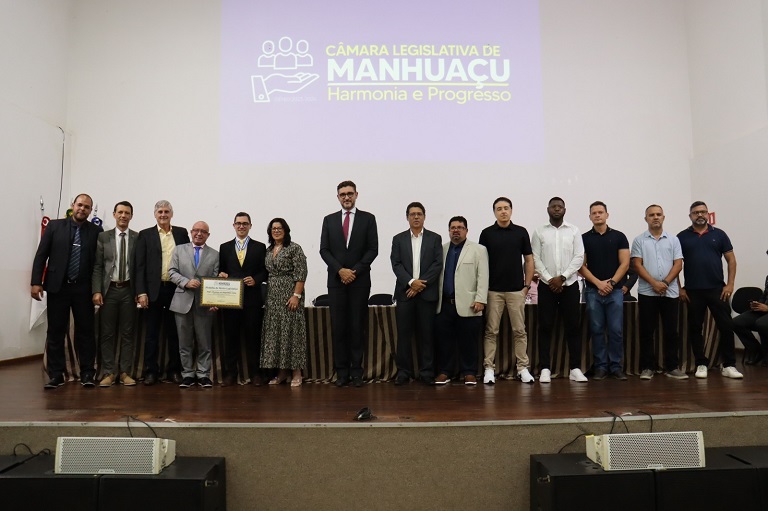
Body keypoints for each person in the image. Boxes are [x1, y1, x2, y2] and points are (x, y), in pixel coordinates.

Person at [31, 193, 103, 389]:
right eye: (80, 205)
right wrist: (36, 282)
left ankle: (87, 373)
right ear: (73, 205)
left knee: (86, 332)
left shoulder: (96, 231)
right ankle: (56, 375)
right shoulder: (54, 227)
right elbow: (41, 255)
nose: (82, 209)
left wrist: (97, 289)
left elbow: (98, 263)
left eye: (86, 207)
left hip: (83, 288)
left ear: (90, 210)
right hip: (58, 287)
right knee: (55, 331)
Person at [319, 180, 379, 387]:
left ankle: (356, 373)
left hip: (359, 281)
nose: (346, 197)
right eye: (343, 194)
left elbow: (373, 249)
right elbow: (324, 250)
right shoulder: (329, 220)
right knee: (339, 328)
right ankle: (342, 372)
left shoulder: (368, 219)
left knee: (356, 327)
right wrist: (340, 270)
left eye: (350, 193)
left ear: (356, 195)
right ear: (338, 197)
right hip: (336, 282)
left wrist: (354, 271)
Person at [678, 201, 743, 379]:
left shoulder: (720, 234)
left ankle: (729, 365)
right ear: (690, 216)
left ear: (708, 214)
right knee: (695, 328)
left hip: (717, 289)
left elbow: (731, 260)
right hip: (692, 291)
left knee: (726, 327)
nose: (700, 215)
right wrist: (679, 288)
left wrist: (730, 284)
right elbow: (675, 264)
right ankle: (701, 363)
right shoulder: (681, 237)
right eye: (696, 212)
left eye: (703, 212)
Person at [478, 197, 535, 384]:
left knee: (520, 331)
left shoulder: (521, 232)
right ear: (494, 212)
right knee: (491, 331)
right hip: (493, 291)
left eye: (506, 208)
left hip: (516, 291)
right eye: (499, 209)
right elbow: (481, 263)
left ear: (511, 210)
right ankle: (489, 368)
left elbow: (529, 260)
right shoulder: (486, 234)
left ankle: (522, 368)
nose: (503, 211)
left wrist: (526, 286)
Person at [531, 197, 586, 383]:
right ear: (548, 209)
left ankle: (575, 368)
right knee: (545, 327)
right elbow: (535, 258)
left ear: (565, 209)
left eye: (560, 207)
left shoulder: (574, 231)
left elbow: (579, 257)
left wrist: (562, 278)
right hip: (546, 287)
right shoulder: (539, 231)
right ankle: (545, 368)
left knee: (573, 327)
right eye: (553, 206)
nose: (556, 209)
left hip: (569, 286)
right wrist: (550, 279)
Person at [134, 200, 189, 385]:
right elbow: (140, 266)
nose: (163, 215)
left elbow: (188, 260)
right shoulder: (145, 235)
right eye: (160, 212)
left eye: (166, 211)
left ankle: (174, 370)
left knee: (175, 333)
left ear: (171, 214)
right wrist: (141, 292)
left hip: (176, 290)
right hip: (153, 291)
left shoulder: (181, 233)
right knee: (152, 334)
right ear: (155, 214)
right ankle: (151, 371)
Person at [630, 204, 687, 380]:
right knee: (647, 332)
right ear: (646, 219)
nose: (655, 217)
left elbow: (678, 264)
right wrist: (654, 283)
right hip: (647, 292)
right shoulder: (639, 240)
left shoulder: (673, 240)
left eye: (658, 214)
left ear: (663, 217)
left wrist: (665, 283)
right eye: (651, 215)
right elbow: (637, 265)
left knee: (671, 332)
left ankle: (672, 367)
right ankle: (648, 367)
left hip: (670, 292)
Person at [390, 202, 443, 385]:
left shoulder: (434, 238)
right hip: (405, 294)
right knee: (404, 335)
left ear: (424, 216)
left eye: (419, 214)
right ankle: (403, 372)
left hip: (427, 295)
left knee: (426, 335)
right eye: (412, 214)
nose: (416, 217)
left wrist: (420, 285)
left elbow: (437, 264)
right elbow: (396, 264)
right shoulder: (398, 239)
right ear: (407, 217)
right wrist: (412, 282)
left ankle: (426, 372)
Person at [579, 201, 630, 380]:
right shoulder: (583, 238)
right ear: (590, 217)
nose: (597, 215)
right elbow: (581, 265)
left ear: (607, 215)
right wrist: (599, 284)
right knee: (597, 330)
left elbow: (625, 263)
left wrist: (611, 283)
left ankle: (616, 367)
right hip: (593, 291)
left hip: (615, 291)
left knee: (616, 330)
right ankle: (600, 367)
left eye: (601, 212)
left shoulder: (619, 236)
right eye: (594, 213)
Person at [435, 216, 488, 385]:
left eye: (460, 227)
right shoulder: (441, 249)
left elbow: (483, 276)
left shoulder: (478, 250)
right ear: (449, 231)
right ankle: (445, 372)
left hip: (470, 304)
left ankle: (469, 372)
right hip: (445, 304)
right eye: (453, 228)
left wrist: (481, 299)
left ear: (466, 230)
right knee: (445, 341)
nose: (456, 230)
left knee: (469, 341)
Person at [91, 201, 138, 387]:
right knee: (107, 333)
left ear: (131, 216)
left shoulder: (137, 237)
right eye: (120, 212)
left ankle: (125, 373)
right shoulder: (103, 237)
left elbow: (140, 267)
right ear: (114, 214)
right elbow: (97, 266)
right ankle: (109, 372)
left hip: (129, 290)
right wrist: (96, 290)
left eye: (127, 213)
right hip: (109, 290)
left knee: (128, 333)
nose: (123, 216)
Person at [168, 221, 219, 388]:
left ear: (208, 235)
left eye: (203, 231)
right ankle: (188, 374)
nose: (199, 233)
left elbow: (215, 279)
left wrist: (214, 301)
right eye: (196, 230)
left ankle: (204, 375)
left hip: (204, 304)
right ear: (191, 232)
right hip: (182, 302)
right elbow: (172, 272)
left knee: (204, 343)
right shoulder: (179, 249)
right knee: (184, 343)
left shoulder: (215, 254)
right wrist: (186, 282)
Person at [218, 212, 267, 386]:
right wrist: (221, 275)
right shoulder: (224, 247)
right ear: (233, 225)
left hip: (252, 300)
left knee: (253, 338)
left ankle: (255, 374)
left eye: (245, 223)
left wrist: (256, 279)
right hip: (230, 301)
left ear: (250, 226)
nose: (241, 226)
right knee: (231, 338)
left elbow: (265, 271)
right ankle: (231, 374)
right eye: (238, 223)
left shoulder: (260, 247)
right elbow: (221, 270)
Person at [261, 218, 308, 387]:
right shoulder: (268, 250)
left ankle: (296, 372)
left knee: (292, 333)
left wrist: (296, 295)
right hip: (272, 297)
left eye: (279, 228)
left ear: (286, 230)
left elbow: (301, 273)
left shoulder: (294, 248)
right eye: (273, 228)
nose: (276, 230)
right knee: (277, 334)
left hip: (290, 295)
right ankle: (282, 372)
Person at [733, 261, 768, 365]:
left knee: (762, 324)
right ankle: (757, 352)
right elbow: (764, 296)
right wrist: (758, 304)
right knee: (736, 322)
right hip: (763, 310)